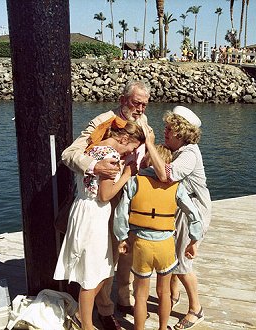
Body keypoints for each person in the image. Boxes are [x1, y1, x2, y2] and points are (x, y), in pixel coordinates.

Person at [61, 80, 150, 330]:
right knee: (104, 260)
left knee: (126, 256)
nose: (140, 108)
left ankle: (123, 300)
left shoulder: (145, 124)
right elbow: (69, 153)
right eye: (136, 103)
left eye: (144, 104)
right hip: (105, 201)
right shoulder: (103, 122)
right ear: (123, 100)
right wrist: (93, 166)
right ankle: (105, 311)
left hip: (132, 202)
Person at [113, 145, 203, 330]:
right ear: (167, 163)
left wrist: (122, 238)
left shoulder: (134, 182)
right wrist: (193, 241)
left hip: (141, 246)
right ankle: (163, 328)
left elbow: (120, 213)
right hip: (165, 246)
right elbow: (193, 214)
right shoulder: (177, 187)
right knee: (164, 293)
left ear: (148, 160)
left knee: (140, 295)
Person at [142, 106, 212, 330]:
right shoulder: (181, 150)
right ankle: (173, 294)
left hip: (193, 212)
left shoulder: (189, 154)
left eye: (169, 128)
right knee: (174, 255)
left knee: (182, 263)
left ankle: (196, 309)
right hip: (182, 207)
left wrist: (150, 145)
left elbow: (166, 175)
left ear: (181, 132)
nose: (166, 132)